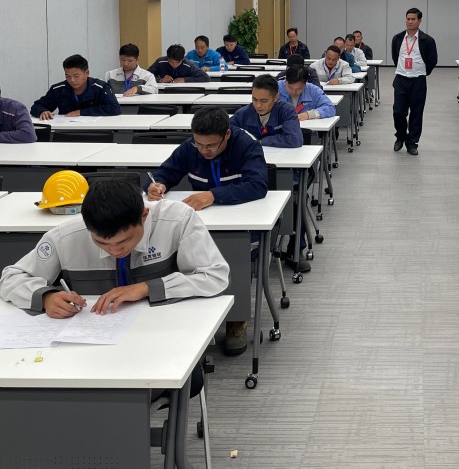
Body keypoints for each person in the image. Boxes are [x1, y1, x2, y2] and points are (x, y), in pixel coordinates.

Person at [0, 179, 229, 318]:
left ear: (144, 215)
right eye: (101, 243)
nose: (115, 250)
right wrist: (46, 297)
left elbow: (215, 276)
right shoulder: (65, 236)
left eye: (123, 241)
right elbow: (10, 278)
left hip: (164, 332)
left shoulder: (178, 220)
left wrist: (146, 288)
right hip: (91, 336)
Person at [145, 107, 268, 356]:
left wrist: (213, 195)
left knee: (234, 255)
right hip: (200, 221)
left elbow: (257, 185)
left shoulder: (246, 145)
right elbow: (166, 172)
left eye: (211, 145)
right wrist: (157, 184)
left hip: (242, 220)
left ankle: (237, 319)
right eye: (199, 144)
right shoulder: (190, 147)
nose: (204, 150)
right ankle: (190, 315)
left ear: (227, 135)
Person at [391, 7, 438, 155]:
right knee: (398, 112)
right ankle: (400, 137)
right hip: (401, 79)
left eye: (413, 19)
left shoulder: (427, 40)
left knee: (416, 113)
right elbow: (395, 57)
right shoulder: (398, 38)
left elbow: (432, 60)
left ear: (419, 21)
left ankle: (412, 143)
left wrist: (422, 73)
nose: (410, 22)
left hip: (418, 81)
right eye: (408, 19)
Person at [31, 54, 121, 119]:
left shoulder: (100, 87)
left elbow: (114, 108)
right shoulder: (58, 89)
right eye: (68, 76)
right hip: (66, 130)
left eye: (76, 76)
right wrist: (42, 111)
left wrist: (82, 112)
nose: (72, 80)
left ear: (87, 73)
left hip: (95, 130)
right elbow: (36, 106)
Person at [231, 74, 303, 149]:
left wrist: (261, 141)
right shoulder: (242, 114)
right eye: (254, 99)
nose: (258, 105)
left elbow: (294, 140)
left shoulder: (286, 111)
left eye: (264, 101)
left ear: (276, 98)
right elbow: (227, 134)